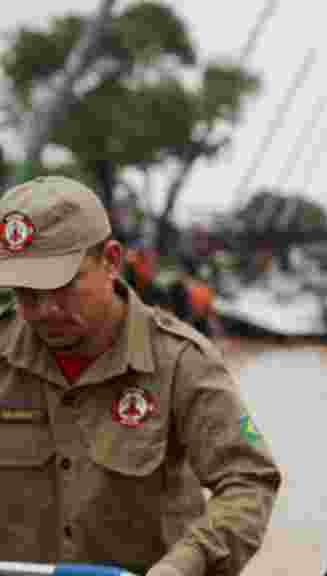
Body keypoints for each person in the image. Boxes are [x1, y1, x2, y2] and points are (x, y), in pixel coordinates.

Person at [0, 176, 281, 576]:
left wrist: (186, 564)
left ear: (111, 261)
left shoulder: (181, 362)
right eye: (25, 292)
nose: (45, 310)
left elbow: (248, 481)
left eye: (61, 286)